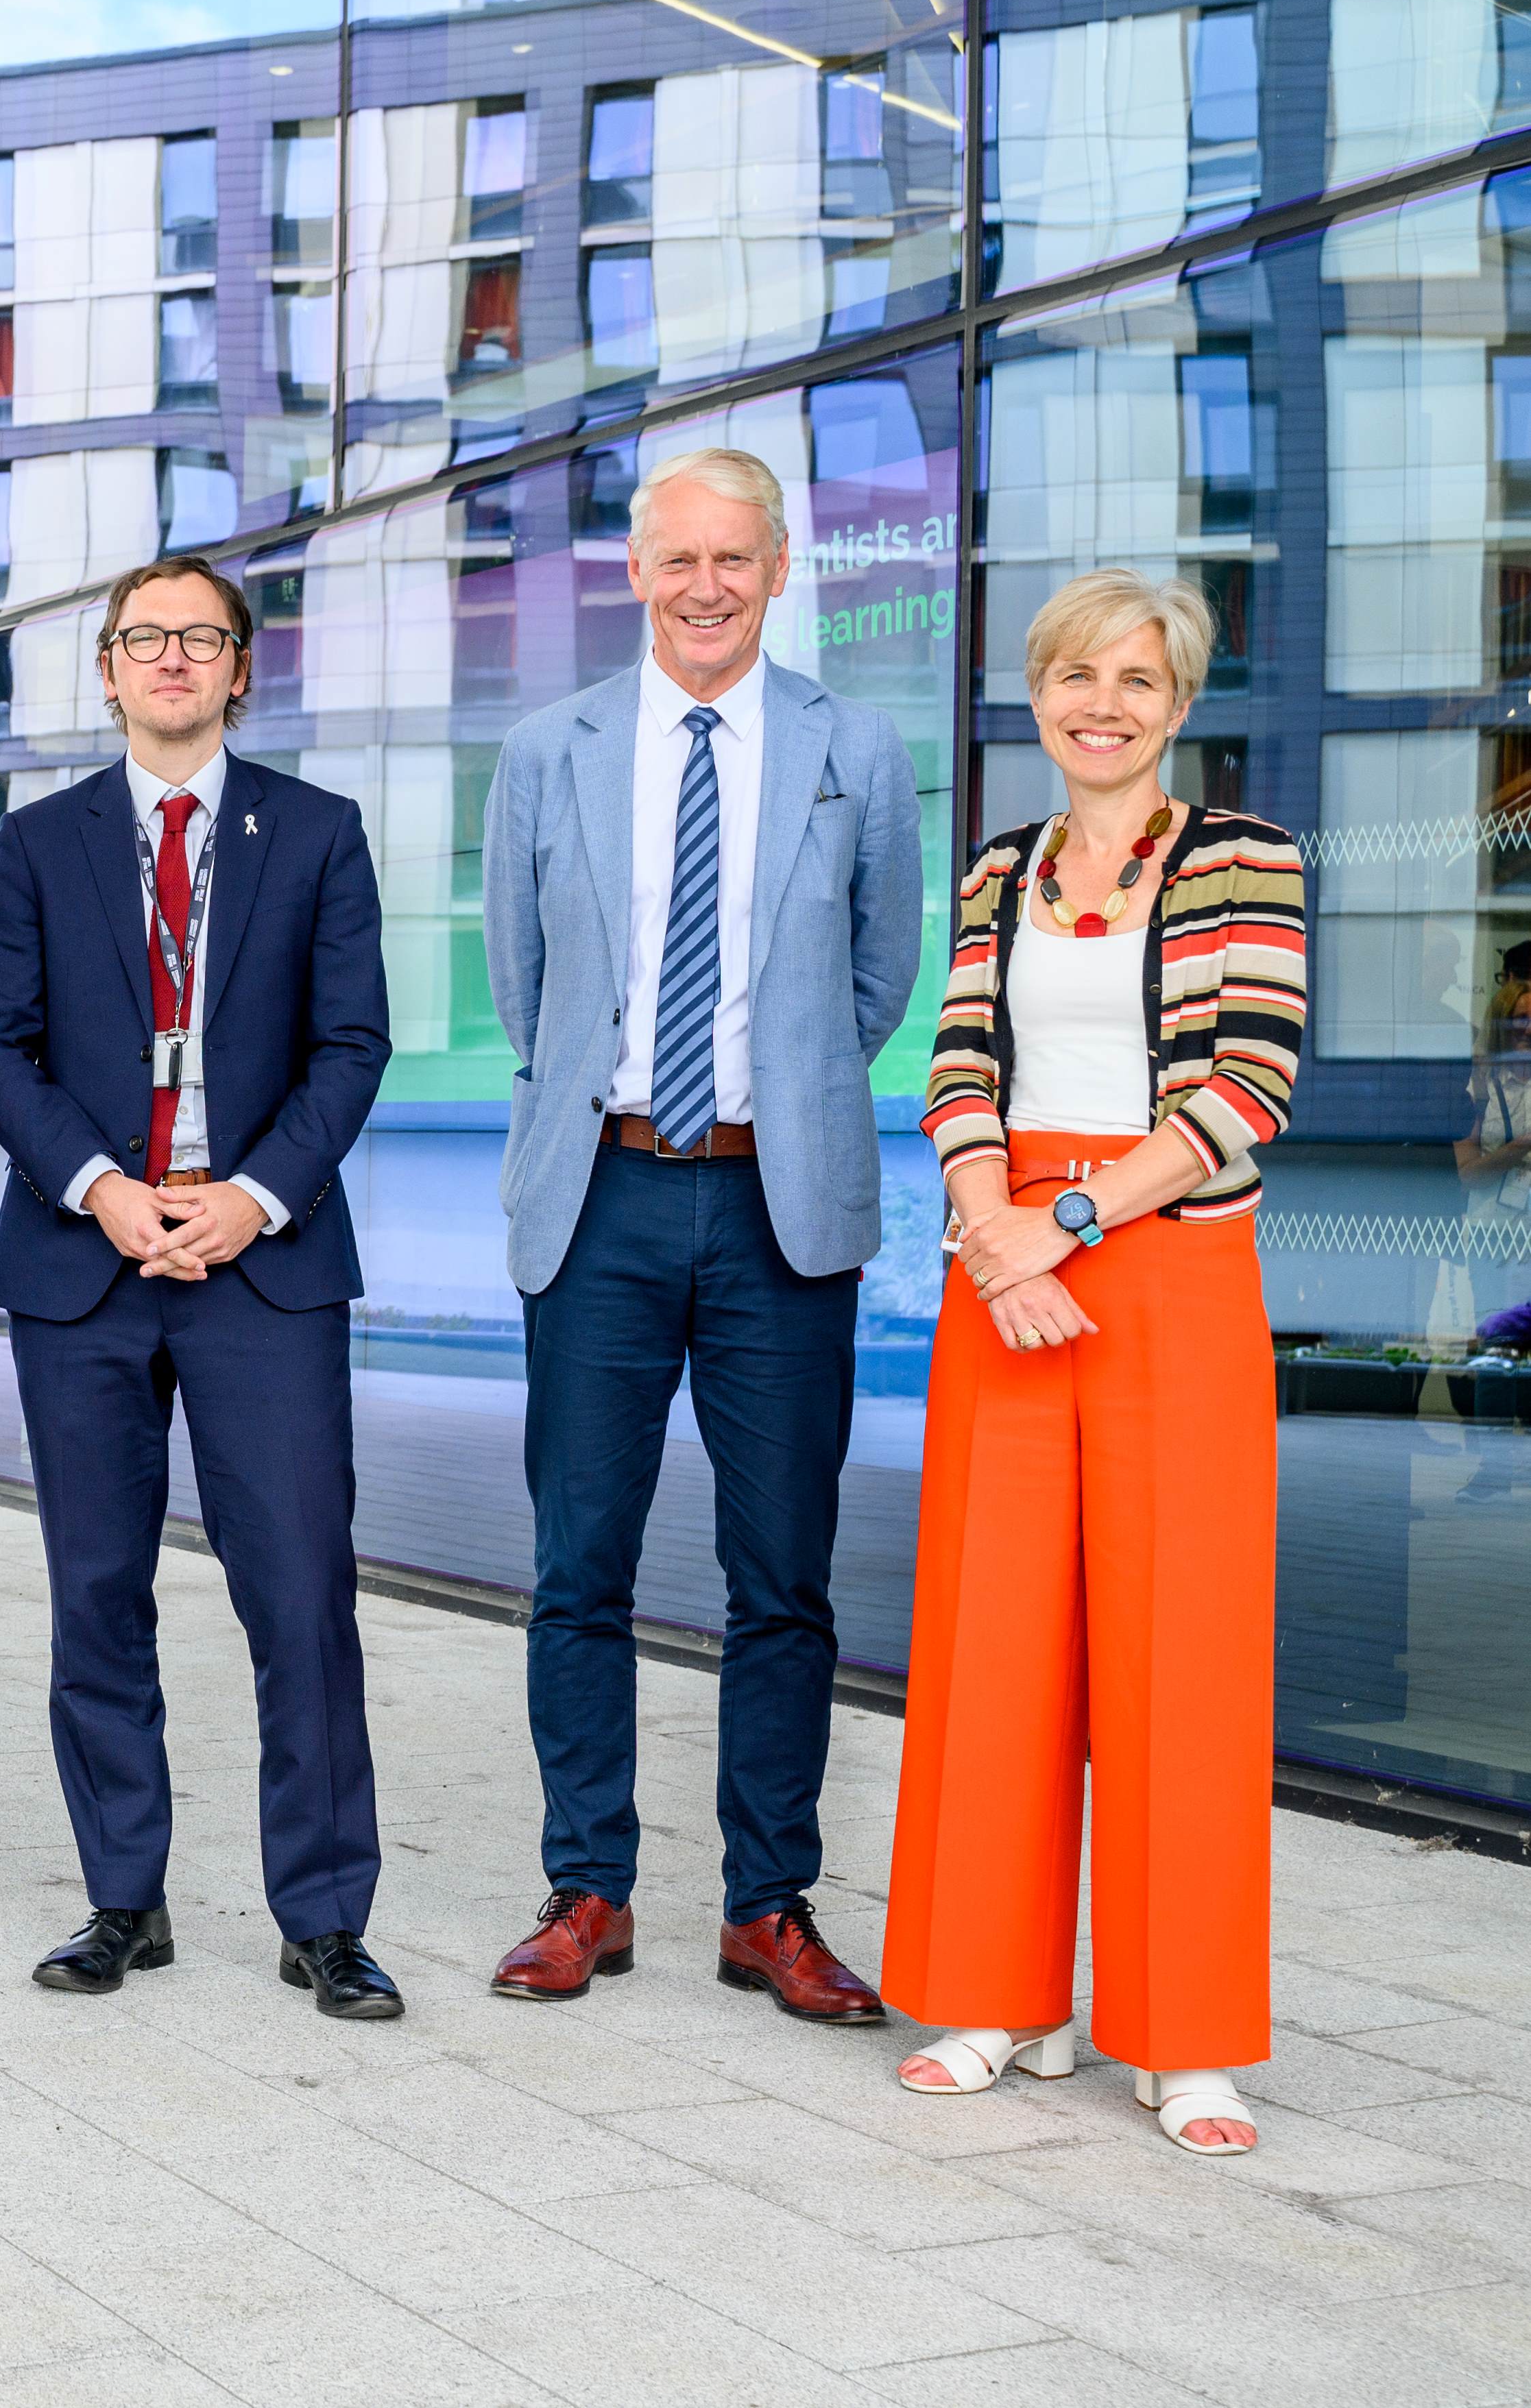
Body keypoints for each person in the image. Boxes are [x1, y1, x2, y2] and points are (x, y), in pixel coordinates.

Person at [479, 445, 922, 2021]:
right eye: (678, 559)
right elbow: (526, 984)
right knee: (576, 1561)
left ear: (780, 567)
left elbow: (877, 980)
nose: (707, 586)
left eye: (736, 558)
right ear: (636, 572)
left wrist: (774, 1099)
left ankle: (767, 1904)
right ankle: (586, 1885)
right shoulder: (548, 749)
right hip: (597, 1192)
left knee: (781, 1574)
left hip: (776, 1204)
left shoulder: (852, 746)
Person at [884, 568, 1305, 2155]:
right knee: (994, 1643)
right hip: (1004, 1273)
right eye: (1076, 676)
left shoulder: (1242, 859)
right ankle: (996, 1999)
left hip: (1169, 1264)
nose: (1103, 704)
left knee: (1176, 1657)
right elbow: (958, 1059)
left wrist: (1064, 1223)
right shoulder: (1000, 868)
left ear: (1178, 705)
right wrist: (991, 1229)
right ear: (1039, 695)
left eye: (1137, 679)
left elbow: (1250, 1082)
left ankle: (1180, 2032)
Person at [0, 553, 404, 2019]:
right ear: (106, 666)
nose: (168, 660)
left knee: (300, 1594)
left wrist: (249, 1196)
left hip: (257, 1263)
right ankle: (121, 1895)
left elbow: (351, 1043)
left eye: (196, 639)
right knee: (97, 1590)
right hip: (87, 1259)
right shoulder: (37, 841)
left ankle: (324, 1914)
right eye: (142, 638)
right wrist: (105, 1187)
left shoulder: (318, 833)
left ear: (237, 667)